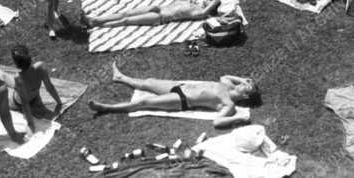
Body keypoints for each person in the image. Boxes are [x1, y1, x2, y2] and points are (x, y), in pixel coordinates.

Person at [88, 62, 260, 129]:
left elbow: (217, 122)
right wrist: (243, 79)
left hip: (182, 100)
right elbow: (225, 76)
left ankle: (105, 108)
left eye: (247, 88)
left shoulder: (228, 104)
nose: (244, 84)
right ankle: (120, 77)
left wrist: (240, 119)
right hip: (180, 86)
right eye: (246, 82)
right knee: (148, 82)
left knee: (144, 102)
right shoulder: (228, 84)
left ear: (245, 97)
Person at [81, 0, 225, 29]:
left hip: (159, 17)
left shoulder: (200, 12)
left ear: (211, 6)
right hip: (157, 7)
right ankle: (95, 19)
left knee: (125, 21)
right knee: (125, 13)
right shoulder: (192, 2)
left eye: (209, 0)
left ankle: (95, 23)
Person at [7, 45, 62, 131]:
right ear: (29, 57)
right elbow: (49, 87)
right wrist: (59, 102)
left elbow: (24, 104)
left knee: (2, 92)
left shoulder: (18, 78)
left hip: (18, 102)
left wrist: (30, 123)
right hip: (35, 97)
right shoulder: (41, 67)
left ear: (16, 63)